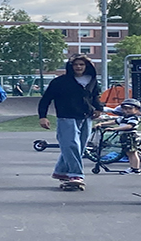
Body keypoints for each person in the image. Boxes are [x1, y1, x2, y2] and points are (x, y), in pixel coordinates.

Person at [37, 55, 102, 187]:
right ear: (71, 66)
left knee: (80, 147)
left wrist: (98, 109)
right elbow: (46, 99)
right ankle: (76, 174)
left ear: (87, 66)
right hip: (66, 117)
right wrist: (42, 116)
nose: (78, 67)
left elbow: (94, 96)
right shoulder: (60, 82)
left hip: (85, 117)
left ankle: (61, 171)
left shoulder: (92, 80)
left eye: (81, 65)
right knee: (71, 144)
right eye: (76, 65)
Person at [93, 98, 141, 175]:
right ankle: (132, 167)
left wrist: (115, 129)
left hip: (130, 136)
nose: (127, 110)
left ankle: (135, 169)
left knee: (133, 152)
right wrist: (102, 124)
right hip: (124, 136)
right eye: (125, 109)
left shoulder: (133, 118)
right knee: (128, 153)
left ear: (136, 110)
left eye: (130, 109)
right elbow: (115, 121)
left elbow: (129, 126)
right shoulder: (124, 117)